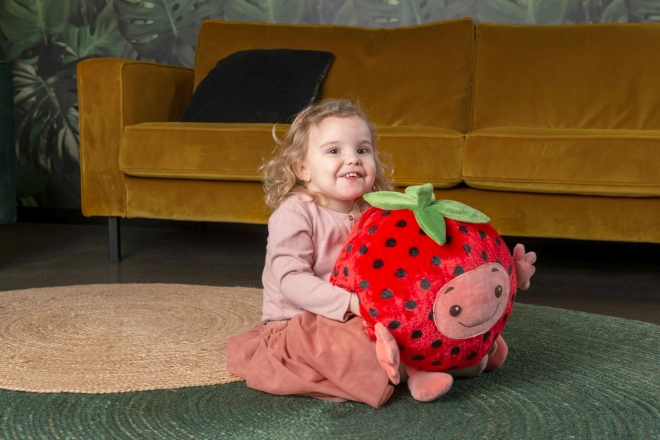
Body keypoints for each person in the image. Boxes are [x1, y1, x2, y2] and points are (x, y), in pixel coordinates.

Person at [226, 98, 397, 408]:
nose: (353, 159)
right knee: (351, 347)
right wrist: (352, 304)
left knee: (413, 321)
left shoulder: (372, 210)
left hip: (356, 312)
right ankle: (403, 371)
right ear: (303, 168)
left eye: (362, 150)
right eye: (334, 151)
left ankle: (439, 361)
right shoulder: (296, 213)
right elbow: (292, 280)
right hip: (298, 324)